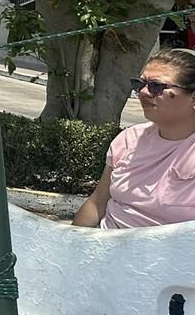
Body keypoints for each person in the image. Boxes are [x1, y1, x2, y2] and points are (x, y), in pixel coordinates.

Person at [73, 48, 195, 228]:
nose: (143, 92)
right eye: (140, 84)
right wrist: (72, 246)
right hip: (105, 248)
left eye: (157, 86)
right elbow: (97, 203)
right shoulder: (129, 139)